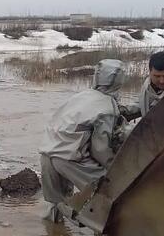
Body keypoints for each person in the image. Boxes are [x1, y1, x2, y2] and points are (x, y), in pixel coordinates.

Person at [39, 59, 127, 222]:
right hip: (70, 160)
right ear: (120, 81)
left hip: (47, 154)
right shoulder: (107, 108)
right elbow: (101, 150)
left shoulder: (81, 96)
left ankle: (52, 234)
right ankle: (101, 234)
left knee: (57, 203)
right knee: (108, 192)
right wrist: (116, 168)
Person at [122, 51, 164, 120]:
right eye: (157, 76)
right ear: (150, 72)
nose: (162, 81)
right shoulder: (147, 87)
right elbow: (143, 104)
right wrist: (124, 110)